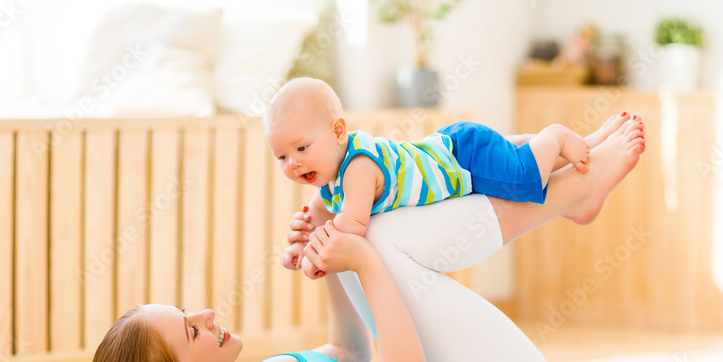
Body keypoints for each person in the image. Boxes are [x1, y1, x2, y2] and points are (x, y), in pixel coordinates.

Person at [55, 114, 646, 362]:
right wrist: (355, 253)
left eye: (187, 312)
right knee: (377, 240)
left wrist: (325, 251)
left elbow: (348, 348)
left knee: (371, 233)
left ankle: (565, 186)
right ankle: (573, 191)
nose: (205, 315)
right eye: (190, 330)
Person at [264, 77, 641, 279]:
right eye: (281, 156)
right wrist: (298, 245)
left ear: (338, 132)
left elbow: (350, 228)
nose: (293, 164)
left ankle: (556, 136)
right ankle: (587, 146)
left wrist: (318, 252)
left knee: (525, 179)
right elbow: (317, 217)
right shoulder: (329, 182)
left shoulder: (358, 167)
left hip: (463, 156)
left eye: (301, 148)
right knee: (513, 157)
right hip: (449, 148)